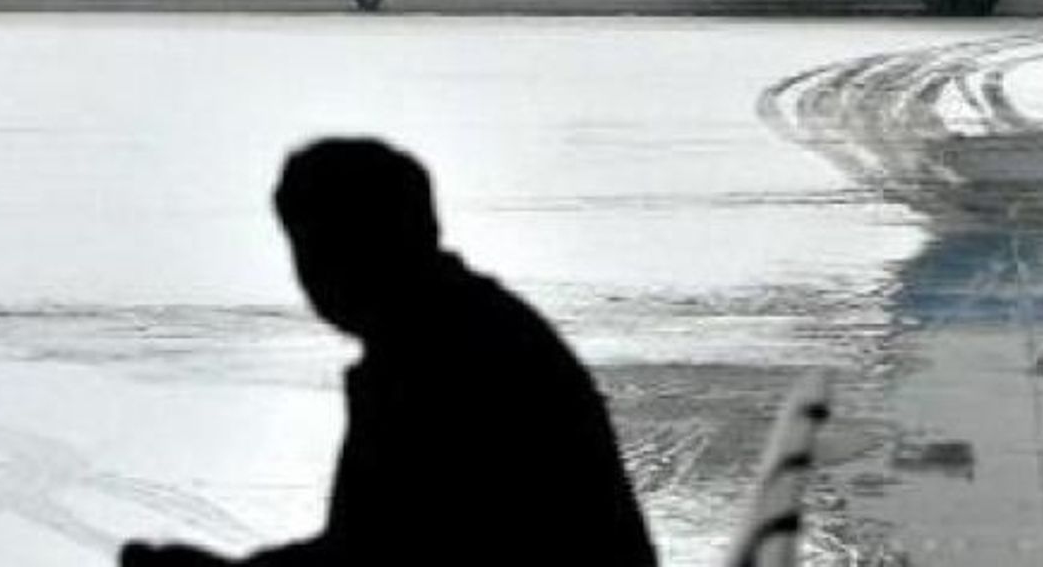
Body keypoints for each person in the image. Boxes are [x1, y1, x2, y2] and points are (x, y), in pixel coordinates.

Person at [122, 138, 656, 566]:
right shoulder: (468, 331)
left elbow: (374, 554)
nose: (310, 277)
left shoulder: (434, 365)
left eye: (318, 250)